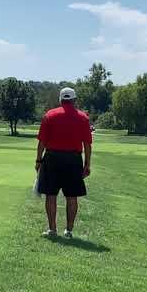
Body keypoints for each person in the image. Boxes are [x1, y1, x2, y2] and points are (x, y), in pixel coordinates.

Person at [35, 87, 92, 238]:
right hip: (73, 160)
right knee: (72, 197)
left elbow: (42, 142)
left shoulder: (50, 115)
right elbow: (87, 144)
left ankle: (52, 230)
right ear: (74, 100)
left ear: (60, 100)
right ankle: (69, 230)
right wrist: (87, 164)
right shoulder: (83, 117)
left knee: (51, 195)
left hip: (52, 158)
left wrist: (38, 160)